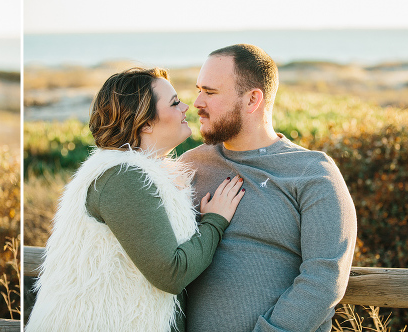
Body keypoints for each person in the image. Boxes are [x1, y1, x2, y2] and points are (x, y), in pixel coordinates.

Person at [26, 67, 245, 332]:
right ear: (145, 123)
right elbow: (171, 274)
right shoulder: (123, 177)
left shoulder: (148, 175)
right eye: (175, 103)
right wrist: (215, 222)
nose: (186, 106)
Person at [179, 44, 358, 331]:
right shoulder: (189, 165)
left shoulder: (312, 172)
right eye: (199, 89)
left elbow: (325, 278)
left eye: (210, 93)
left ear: (252, 100)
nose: (197, 102)